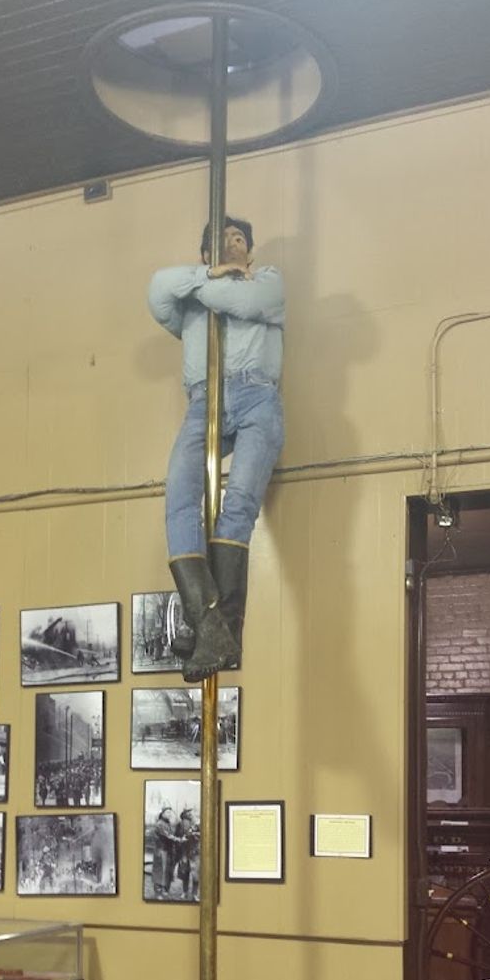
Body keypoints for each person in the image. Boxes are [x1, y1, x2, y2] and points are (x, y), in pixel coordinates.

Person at [148, 217, 285, 681]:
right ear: (205, 255)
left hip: (256, 396)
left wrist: (209, 286)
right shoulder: (195, 291)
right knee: (178, 499)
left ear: (251, 251)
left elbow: (246, 302)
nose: (231, 245)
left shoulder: (267, 281)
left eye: (239, 239)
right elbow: (156, 290)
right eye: (220, 242)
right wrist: (208, 277)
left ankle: (220, 630)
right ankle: (210, 625)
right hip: (203, 400)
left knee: (239, 504)